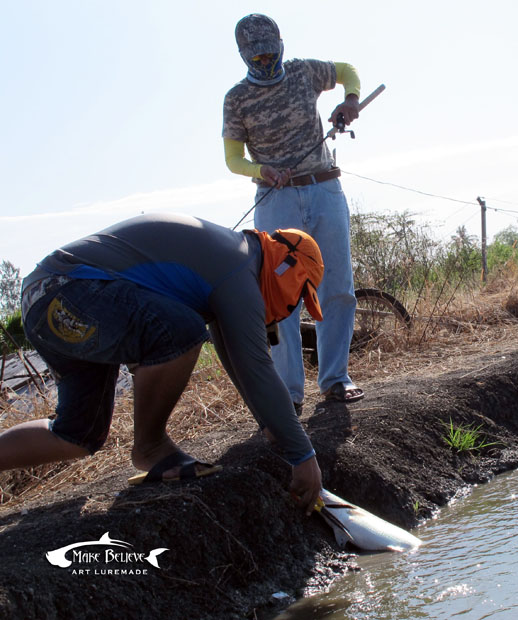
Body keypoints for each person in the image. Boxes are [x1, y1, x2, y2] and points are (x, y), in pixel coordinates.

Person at [0, 213, 325, 515]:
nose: (292, 307)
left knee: (77, 436)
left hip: (46, 301)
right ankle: (150, 446)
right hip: (67, 290)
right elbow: (256, 368)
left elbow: (237, 357)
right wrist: (303, 456)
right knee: (178, 332)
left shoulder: (234, 262)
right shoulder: (240, 266)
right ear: (288, 266)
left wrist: (271, 424)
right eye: (300, 295)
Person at [222, 13, 364, 411]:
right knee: (281, 297)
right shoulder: (236, 99)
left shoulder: (304, 72)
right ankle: (288, 392)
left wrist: (350, 100)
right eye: (256, 56)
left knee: (336, 287)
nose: (265, 60)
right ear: (243, 55)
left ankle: (336, 379)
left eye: (270, 51)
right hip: (275, 199)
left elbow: (346, 70)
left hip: (324, 188)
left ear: (280, 44)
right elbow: (233, 158)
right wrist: (259, 170)